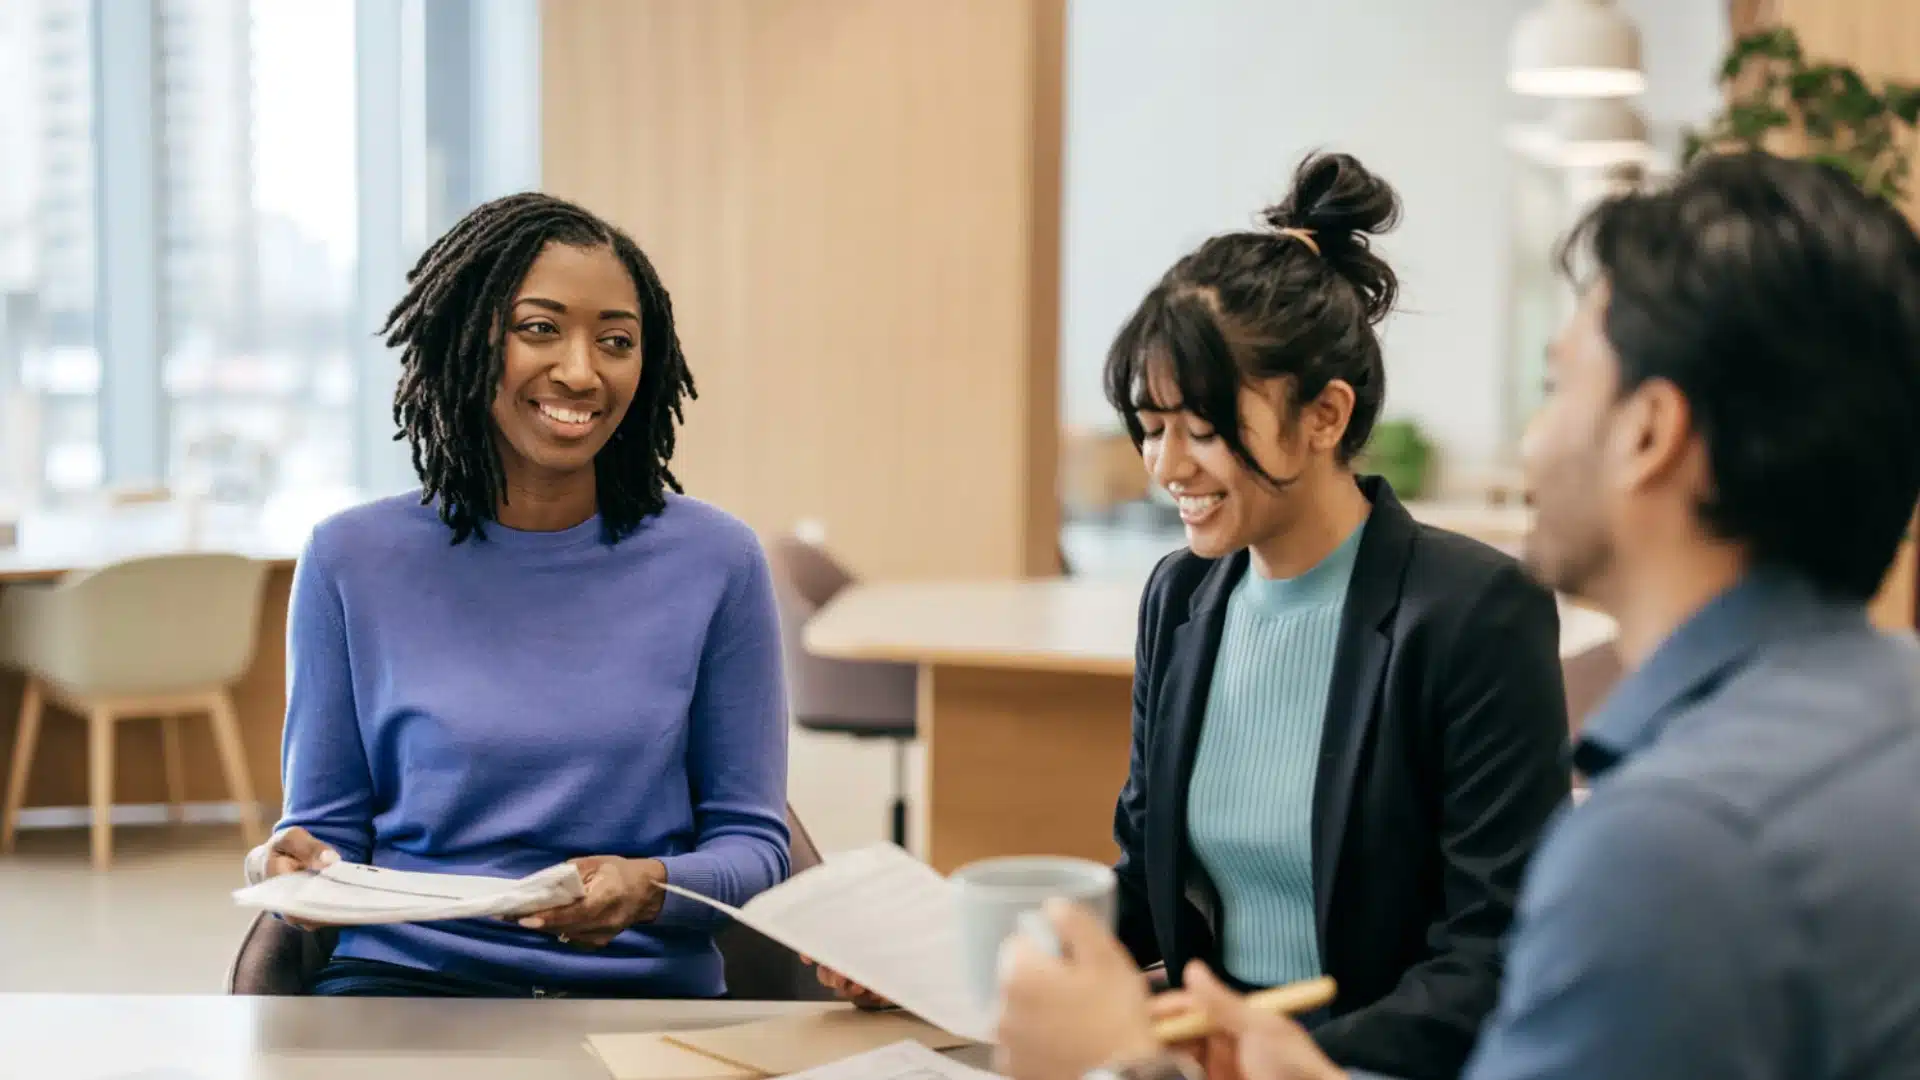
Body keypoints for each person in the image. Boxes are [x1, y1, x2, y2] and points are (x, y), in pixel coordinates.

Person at [995, 149, 1920, 1080]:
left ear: (1649, 433)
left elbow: (1489, 963)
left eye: (1556, 387)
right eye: (1152, 429)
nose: (1530, 442)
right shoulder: (1883, 719)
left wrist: (1141, 1065)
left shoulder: (1661, 844)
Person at [825, 152, 1572, 1080]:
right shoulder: (1182, 598)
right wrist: (944, 959)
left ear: (1325, 416)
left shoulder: (1473, 613)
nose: (1167, 467)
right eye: (1151, 427)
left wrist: (1274, 1059)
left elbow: (1494, 954)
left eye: (1204, 430)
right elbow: (1148, 888)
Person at [242, 192, 791, 998]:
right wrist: (289, 862)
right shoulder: (348, 559)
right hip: (406, 989)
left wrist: (652, 885)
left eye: (615, 341)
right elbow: (324, 833)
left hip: (639, 994)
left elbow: (756, 846)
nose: (581, 370)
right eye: (539, 329)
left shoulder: (719, 561)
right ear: (464, 338)